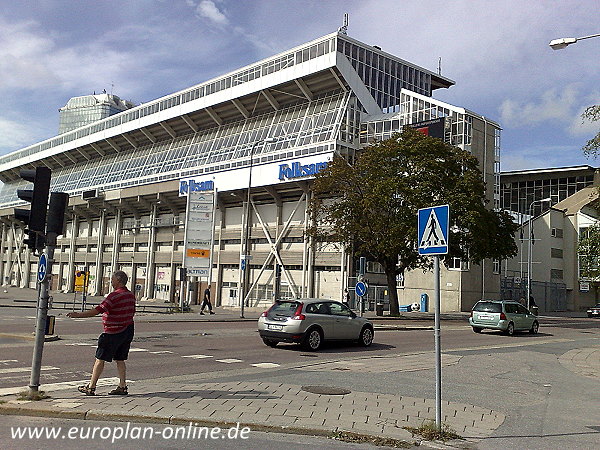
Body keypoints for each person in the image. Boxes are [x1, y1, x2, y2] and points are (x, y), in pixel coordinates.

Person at [67, 270, 135, 396]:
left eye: (112, 279)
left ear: (118, 281)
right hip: (127, 330)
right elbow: (131, 312)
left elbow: (98, 310)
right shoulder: (130, 295)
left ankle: (91, 387)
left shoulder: (114, 296)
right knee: (120, 359)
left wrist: (79, 315)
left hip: (112, 332)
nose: (111, 281)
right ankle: (122, 386)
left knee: (100, 359)